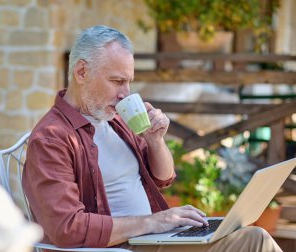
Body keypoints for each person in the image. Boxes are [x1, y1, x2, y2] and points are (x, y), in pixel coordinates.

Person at [22, 25, 282, 252]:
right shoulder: (52, 139)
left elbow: (163, 178)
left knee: (253, 237)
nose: (126, 93)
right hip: (118, 248)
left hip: (154, 239)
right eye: (117, 81)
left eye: (129, 82)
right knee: (254, 242)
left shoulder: (115, 121)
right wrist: (153, 222)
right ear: (81, 72)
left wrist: (156, 140)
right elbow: (66, 228)